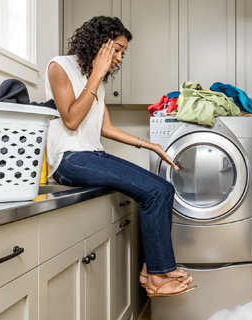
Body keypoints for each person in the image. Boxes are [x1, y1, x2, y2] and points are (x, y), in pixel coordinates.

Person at [45, 16, 194, 298]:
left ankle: (153, 270)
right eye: (117, 49)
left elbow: (105, 128)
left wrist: (151, 146)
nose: (120, 57)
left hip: (92, 154)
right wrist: (97, 74)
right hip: (69, 160)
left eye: (123, 52)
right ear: (99, 44)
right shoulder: (59, 67)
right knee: (153, 191)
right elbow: (72, 120)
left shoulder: (96, 84)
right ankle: (158, 275)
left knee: (163, 188)